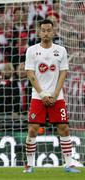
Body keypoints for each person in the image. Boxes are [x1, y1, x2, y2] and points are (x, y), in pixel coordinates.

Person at [24, 19, 80, 173]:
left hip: (57, 96)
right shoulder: (32, 50)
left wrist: (55, 94)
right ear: (39, 31)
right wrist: (42, 94)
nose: (46, 33)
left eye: (49, 30)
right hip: (38, 96)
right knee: (33, 129)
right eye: (43, 30)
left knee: (64, 128)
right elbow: (30, 73)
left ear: (53, 31)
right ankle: (29, 165)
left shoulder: (61, 50)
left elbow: (63, 73)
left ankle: (69, 164)